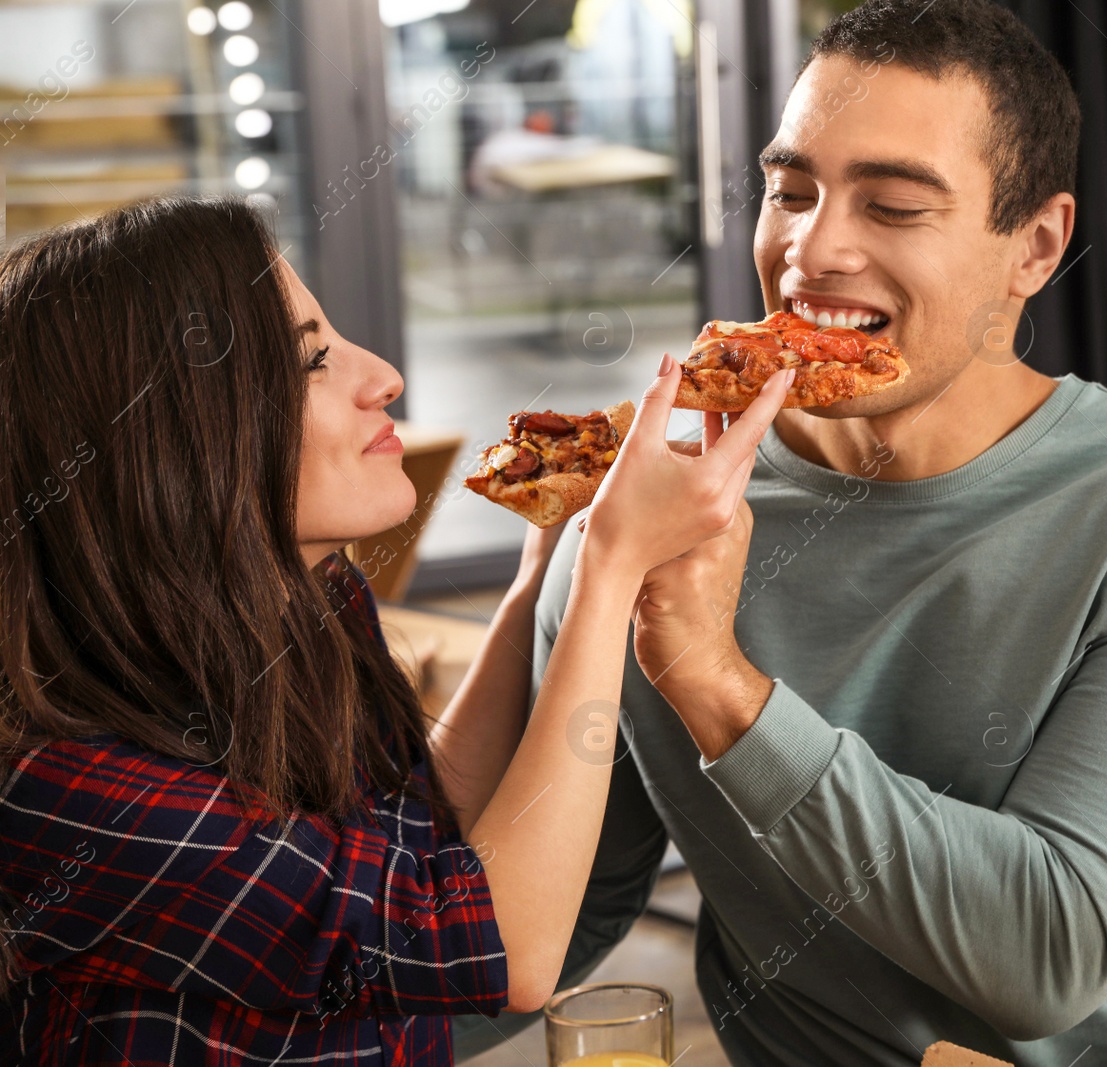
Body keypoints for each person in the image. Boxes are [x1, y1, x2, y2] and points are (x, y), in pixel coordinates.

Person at [523, 2, 1107, 1065]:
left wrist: (718, 685)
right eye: (789, 191)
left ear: (1034, 246)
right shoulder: (651, 500)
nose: (812, 246)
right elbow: (550, 916)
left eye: (890, 205)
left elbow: (1046, 956)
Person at [0, 196, 789, 1065]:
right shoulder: (55, 785)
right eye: (312, 362)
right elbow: (499, 949)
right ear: (171, 443)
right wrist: (609, 571)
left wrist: (537, 581)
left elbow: (419, 831)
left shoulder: (313, 591)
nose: (382, 376)